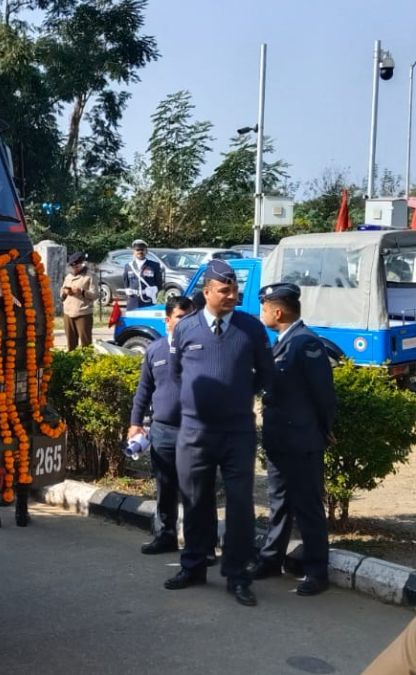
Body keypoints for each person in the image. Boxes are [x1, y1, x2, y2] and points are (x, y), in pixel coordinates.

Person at [164, 259, 273, 607]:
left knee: (241, 505)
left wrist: (237, 396)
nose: (232, 296)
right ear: (207, 291)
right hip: (195, 432)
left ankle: (237, 574)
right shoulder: (186, 328)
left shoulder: (250, 328)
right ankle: (193, 565)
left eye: (234, 290)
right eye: (225, 290)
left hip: (237, 432)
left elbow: (265, 374)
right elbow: (178, 373)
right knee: (195, 501)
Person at [249, 282, 336, 596]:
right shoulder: (283, 342)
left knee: (308, 506)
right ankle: (271, 559)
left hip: (302, 440)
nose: (261, 314)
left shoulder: (305, 343)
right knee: (279, 502)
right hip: (280, 439)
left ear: (277, 311)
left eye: (263, 308)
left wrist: (324, 430)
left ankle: (316, 571)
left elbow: (323, 395)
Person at [128, 295, 196, 555]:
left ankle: (201, 544)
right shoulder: (154, 350)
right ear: (168, 321)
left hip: (193, 431)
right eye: (180, 317)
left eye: (191, 317)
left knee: (196, 490)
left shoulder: (200, 349)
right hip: (163, 431)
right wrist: (135, 423)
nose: (185, 323)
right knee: (165, 487)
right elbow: (144, 390)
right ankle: (165, 535)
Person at [60, 252, 97, 350]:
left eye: (76, 264)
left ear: (82, 263)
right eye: (72, 265)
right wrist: (65, 292)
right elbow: (62, 293)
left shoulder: (90, 276)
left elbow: (95, 295)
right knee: (71, 344)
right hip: (68, 312)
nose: (74, 266)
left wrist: (82, 291)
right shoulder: (68, 276)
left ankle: (87, 363)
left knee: (86, 344)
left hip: (83, 313)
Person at [123, 239, 164, 310]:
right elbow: (126, 283)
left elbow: (159, 283)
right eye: (137, 250)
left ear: (146, 251)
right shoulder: (128, 266)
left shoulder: (154, 265)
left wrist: (154, 293)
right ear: (134, 252)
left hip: (148, 300)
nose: (140, 252)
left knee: (147, 320)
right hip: (133, 301)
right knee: (133, 320)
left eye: (142, 250)